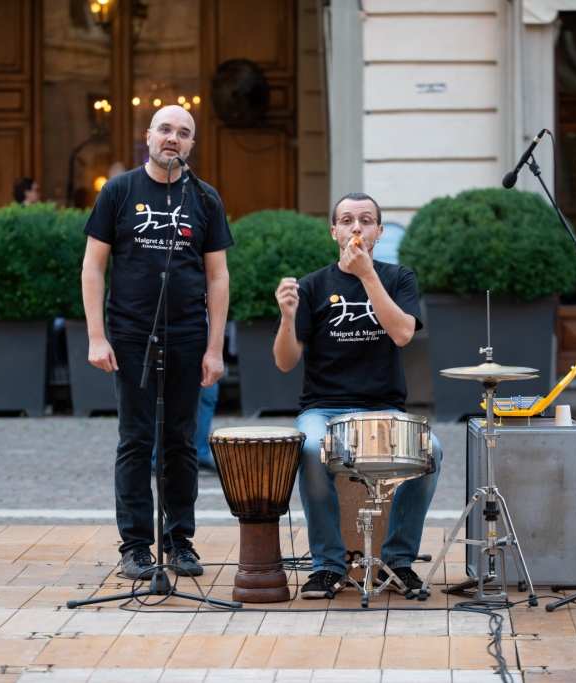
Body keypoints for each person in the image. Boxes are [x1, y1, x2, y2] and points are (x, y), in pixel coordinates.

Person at [82, 105, 233, 580]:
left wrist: (214, 349)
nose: (173, 138)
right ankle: (134, 548)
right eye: (165, 129)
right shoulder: (119, 191)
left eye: (183, 133)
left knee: (181, 441)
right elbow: (93, 267)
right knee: (136, 440)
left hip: (188, 336)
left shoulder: (205, 199)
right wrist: (95, 337)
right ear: (148, 135)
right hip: (129, 337)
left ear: (191, 145)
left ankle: (179, 543)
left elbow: (218, 277)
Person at [272, 192, 443, 599]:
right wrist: (287, 317)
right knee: (312, 449)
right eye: (347, 221)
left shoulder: (398, 277)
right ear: (334, 232)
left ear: (378, 232)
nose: (356, 228)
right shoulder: (314, 285)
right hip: (323, 408)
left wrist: (368, 276)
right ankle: (327, 565)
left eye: (365, 221)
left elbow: (402, 333)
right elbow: (285, 361)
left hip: (382, 408)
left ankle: (399, 560)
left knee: (431, 450)